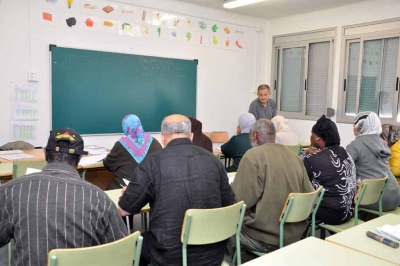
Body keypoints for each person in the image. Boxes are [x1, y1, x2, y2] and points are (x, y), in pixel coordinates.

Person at [118, 114, 234, 266]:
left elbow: (124, 210)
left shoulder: (152, 163)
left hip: (168, 257)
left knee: (134, 244)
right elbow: (229, 203)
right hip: (214, 255)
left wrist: (130, 192)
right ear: (191, 136)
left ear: (163, 137)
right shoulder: (214, 161)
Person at [0, 128, 128, 266]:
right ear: (79, 158)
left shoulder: (11, 191)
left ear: (45, 153)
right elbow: (123, 251)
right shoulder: (100, 199)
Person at [231, 119, 313, 253]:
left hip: (265, 239)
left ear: (254, 135)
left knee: (223, 230)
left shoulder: (253, 156)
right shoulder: (295, 157)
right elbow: (309, 195)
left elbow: (240, 201)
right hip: (296, 234)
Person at [302, 115, 357, 225]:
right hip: (349, 211)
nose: (310, 136)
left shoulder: (312, 160)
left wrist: (304, 153)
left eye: (311, 134)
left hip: (331, 214)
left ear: (318, 137)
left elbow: (298, 169)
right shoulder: (345, 153)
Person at [346, 112, 400, 211]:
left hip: (377, 199)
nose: (353, 126)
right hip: (395, 196)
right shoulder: (382, 143)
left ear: (362, 126)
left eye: (355, 123)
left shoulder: (355, 145)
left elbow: (343, 168)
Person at [104, 114, 162, 189]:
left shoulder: (121, 144)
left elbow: (109, 165)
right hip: (151, 187)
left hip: (126, 188)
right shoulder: (155, 142)